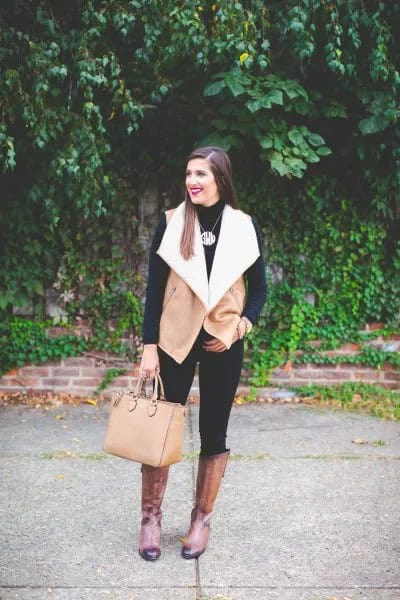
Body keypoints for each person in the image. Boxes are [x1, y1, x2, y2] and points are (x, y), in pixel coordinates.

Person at [138, 146, 267, 561]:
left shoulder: (244, 227)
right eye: (189, 173)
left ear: (221, 180)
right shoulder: (172, 223)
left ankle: (201, 520)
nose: (192, 181)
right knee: (161, 434)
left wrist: (240, 327)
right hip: (175, 337)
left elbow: (259, 290)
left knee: (214, 432)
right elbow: (155, 288)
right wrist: (149, 347)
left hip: (222, 341)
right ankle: (150, 519)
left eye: (201, 175)